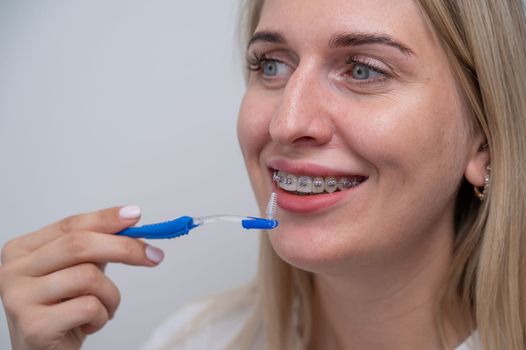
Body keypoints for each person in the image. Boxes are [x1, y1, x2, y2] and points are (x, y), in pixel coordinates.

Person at [1, 0, 525, 349]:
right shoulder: (192, 341)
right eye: (272, 65)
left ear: (484, 138)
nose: (286, 122)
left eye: (363, 69)